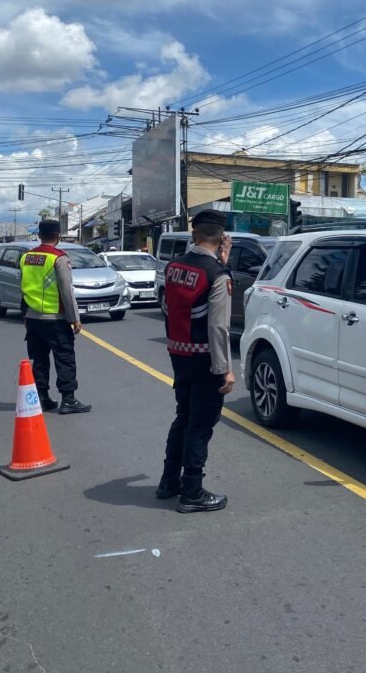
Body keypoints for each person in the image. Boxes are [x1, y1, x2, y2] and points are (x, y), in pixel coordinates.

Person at [156, 210, 234, 513]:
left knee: (183, 417)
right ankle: (192, 491)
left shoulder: (174, 267)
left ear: (193, 235)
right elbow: (218, 327)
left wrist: (220, 264)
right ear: (222, 238)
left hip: (179, 353)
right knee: (201, 425)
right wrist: (224, 369)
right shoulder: (216, 275)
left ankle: (168, 482)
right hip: (204, 359)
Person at [20, 220, 91, 415]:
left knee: (39, 359)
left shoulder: (27, 256)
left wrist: (25, 314)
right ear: (58, 236)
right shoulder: (58, 258)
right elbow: (67, 291)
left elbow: (23, 286)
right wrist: (74, 318)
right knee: (65, 358)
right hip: (55, 318)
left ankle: (42, 398)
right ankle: (68, 399)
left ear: (39, 235)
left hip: (33, 318)